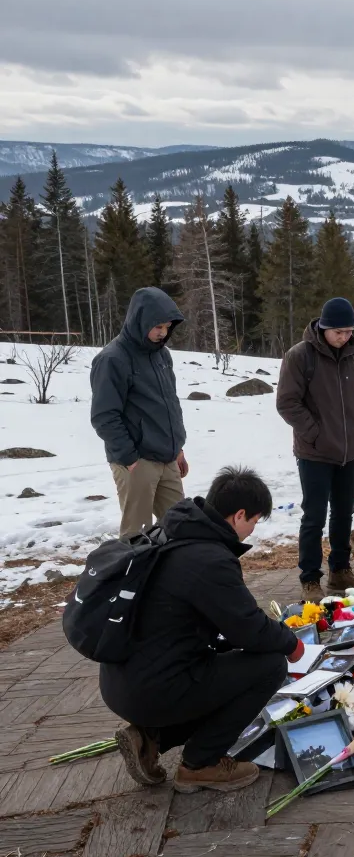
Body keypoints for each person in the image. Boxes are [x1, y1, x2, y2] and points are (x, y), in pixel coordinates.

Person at [100, 466, 303, 794]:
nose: (252, 531)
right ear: (239, 516)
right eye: (253, 521)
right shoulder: (208, 558)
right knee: (269, 666)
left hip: (122, 681)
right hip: (153, 689)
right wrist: (290, 642)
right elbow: (248, 629)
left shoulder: (172, 532)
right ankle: (200, 765)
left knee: (225, 664)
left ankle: (152, 737)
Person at [277, 297, 354, 599]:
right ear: (323, 327)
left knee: (344, 514)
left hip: (350, 451)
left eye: (348, 331)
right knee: (314, 516)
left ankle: (340, 571)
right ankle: (310, 578)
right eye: (338, 332)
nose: (344, 337)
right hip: (315, 453)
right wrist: (314, 433)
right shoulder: (300, 356)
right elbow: (287, 403)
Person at [90, 287, 189, 536]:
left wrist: (177, 447)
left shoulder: (162, 356)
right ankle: (133, 576)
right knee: (137, 536)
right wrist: (130, 459)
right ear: (140, 320)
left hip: (168, 458)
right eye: (158, 327)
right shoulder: (112, 359)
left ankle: (175, 576)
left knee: (181, 529)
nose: (163, 333)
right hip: (137, 462)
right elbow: (104, 417)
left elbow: (169, 404)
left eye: (167, 327)